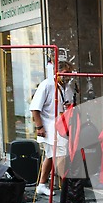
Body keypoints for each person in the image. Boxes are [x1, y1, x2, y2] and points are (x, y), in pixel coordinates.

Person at [30, 61, 73, 196]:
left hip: (57, 127)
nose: (67, 76)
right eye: (65, 73)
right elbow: (35, 108)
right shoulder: (47, 85)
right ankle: (65, 186)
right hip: (49, 128)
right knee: (60, 156)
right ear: (57, 72)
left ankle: (42, 184)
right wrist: (40, 127)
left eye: (69, 73)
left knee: (50, 156)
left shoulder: (61, 86)